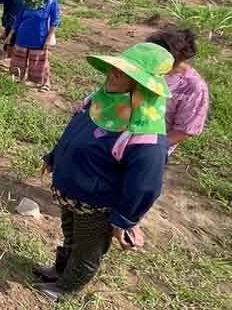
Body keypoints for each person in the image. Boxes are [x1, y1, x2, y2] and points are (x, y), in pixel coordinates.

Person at [36, 42, 174, 301]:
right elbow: (73, 132)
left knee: (87, 249)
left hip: (97, 204)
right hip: (71, 192)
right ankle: (60, 270)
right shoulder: (98, 101)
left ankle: (67, 289)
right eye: (114, 68)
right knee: (71, 235)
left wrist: (125, 220)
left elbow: (145, 185)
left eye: (124, 73)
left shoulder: (145, 134)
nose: (113, 73)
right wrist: (54, 156)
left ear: (142, 85)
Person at [146, 28, 209, 154]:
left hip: (150, 146)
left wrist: (150, 148)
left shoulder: (193, 87)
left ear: (175, 59)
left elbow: (184, 131)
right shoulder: (145, 67)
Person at [5, 0, 60, 92]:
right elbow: (19, 19)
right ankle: (18, 78)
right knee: (19, 59)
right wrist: (10, 35)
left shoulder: (51, 1)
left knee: (40, 62)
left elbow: (55, 21)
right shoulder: (27, 0)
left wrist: (49, 37)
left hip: (39, 36)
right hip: (23, 35)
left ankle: (45, 82)